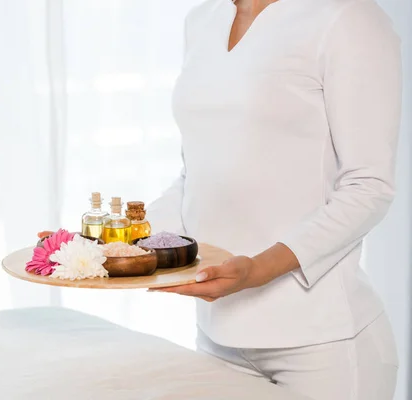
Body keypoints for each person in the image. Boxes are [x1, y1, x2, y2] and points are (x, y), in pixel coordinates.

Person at [143, 0, 402, 398]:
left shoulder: (346, 17)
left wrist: (259, 269)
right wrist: (127, 241)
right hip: (217, 337)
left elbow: (368, 186)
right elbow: (195, 173)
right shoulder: (201, 20)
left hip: (322, 346)